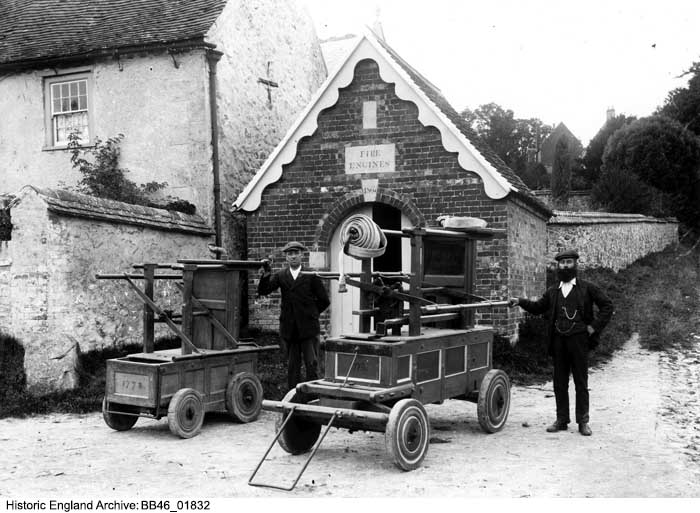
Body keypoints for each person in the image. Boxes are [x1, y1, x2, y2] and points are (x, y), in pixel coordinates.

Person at [508, 249, 613, 436]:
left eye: (569, 262)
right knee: (559, 382)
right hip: (558, 341)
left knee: (581, 382)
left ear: (575, 265)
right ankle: (562, 419)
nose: (565, 265)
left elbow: (607, 306)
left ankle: (583, 421)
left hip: (579, 341)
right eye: (562, 263)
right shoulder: (553, 291)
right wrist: (520, 301)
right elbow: (538, 307)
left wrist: (593, 327)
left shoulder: (587, 288)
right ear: (558, 266)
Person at [258, 241, 330, 390]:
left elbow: (324, 300)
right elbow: (264, 291)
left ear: (301, 255)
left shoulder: (311, 275)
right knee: (292, 368)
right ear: (286, 258)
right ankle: (293, 402)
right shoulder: (281, 275)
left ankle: (313, 400)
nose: (293, 257)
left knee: (312, 366)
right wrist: (266, 273)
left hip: (308, 330)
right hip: (290, 330)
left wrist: (312, 314)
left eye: (296, 253)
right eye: (290, 254)